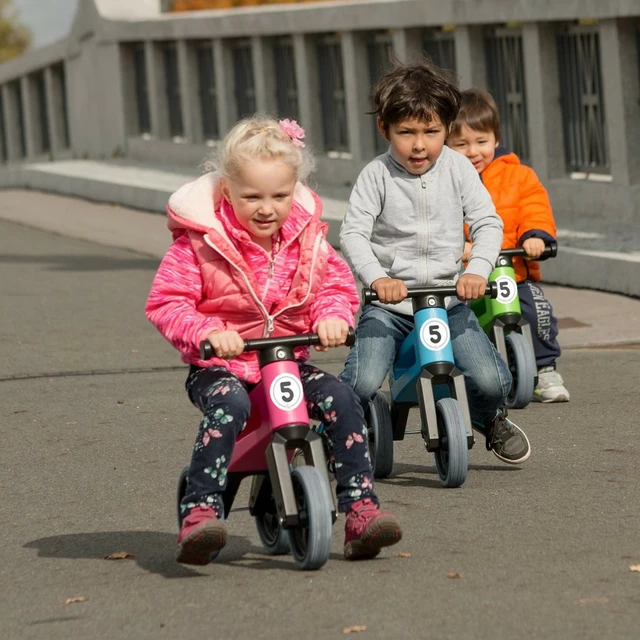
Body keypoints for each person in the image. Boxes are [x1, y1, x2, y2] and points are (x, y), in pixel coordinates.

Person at [146, 116, 402, 565]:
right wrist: (208, 333)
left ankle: (361, 507)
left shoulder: (307, 240)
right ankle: (201, 509)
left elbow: (335, 288)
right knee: (231, 406)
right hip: (222, 367)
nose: (267, 208)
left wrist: (332, 318)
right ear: (227, 192)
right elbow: (167, 302)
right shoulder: (201, 244)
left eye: (280, 196)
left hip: (286, 361)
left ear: (294, 191)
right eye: (253, 197)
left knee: (342, 398)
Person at [339, 58, 531, 464]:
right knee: (362, 381)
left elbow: (487, 223)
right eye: (406, 133)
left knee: (494, 381)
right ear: (384, 129)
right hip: (390, 306)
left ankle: (487, 417)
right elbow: (353, 233)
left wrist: (477, 271)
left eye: (432, 132)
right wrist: (377, 278)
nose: (419, 145)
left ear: (448, 127)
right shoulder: (375, 176)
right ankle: (341, 434)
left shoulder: (459, 169)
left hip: (449, 300)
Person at [446, 88, 569, 403]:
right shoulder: (445, 181)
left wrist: (535, 236)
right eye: (461, 144)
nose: (473, 152)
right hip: (464, 278)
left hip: (511, 273)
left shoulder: (519, 176)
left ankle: (545, 368)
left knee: (537, 310)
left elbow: (533, 208)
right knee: (456, 324)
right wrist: (460, 245)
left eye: (481, 142)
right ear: (446, 145)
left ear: (496, 139)